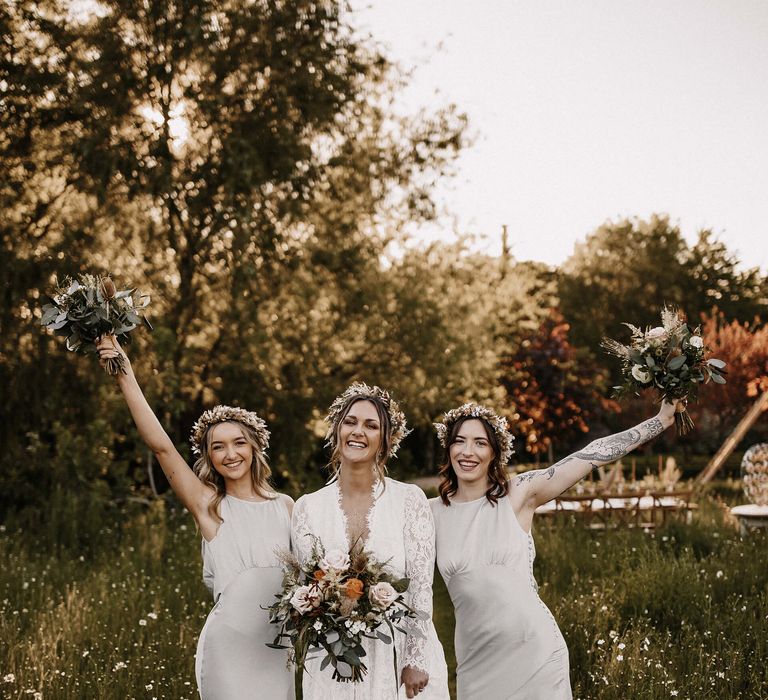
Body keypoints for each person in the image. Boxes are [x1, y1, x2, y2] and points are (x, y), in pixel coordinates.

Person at [429, 400, 682, 699]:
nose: (467, 452)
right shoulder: (430, 513)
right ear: (448, 448)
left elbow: (591, 455)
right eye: (459, 441)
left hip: (534, 653)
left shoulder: (519, 493)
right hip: (475, 663)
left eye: (480, 443)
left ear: (495, 452)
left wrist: (660, 421)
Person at [96, 336, 293, 700]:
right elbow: (161, 446)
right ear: (209, 456)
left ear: (254, 447)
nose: (230, 454)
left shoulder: (286, 506)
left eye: (238, 443)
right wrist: (125, 374)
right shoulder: (208, 504)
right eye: (218, 446)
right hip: (228, 646)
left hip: (278, 649)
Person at [291, 382, 449, 699]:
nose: (358, 431)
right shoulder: (307, 507)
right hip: (333, 660)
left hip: (400, 655)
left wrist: (415, 658)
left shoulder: (409, 500)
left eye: (371, 424)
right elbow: (306, 588)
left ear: (385, 440)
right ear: (336, 431)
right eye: (350, 421)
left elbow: (420, 586)